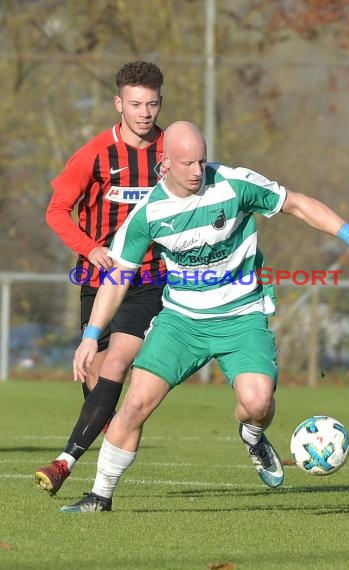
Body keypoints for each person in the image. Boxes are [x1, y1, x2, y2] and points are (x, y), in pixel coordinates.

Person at [60, 121, 349, 513]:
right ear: (165, 164)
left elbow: (298, 203)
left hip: (241, 317)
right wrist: (92, 335)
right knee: (134, 405)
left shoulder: (234, 184)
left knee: (258, 403)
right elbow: (117, 278)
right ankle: (99, 496)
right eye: (187, 163)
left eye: (202, 159)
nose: (198, 170)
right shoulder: (148, 214)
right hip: (180, 322)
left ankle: (252, 435)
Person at [34, 60, 166, 496]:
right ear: (118, 103)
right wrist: (90, 247)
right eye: (135, 104)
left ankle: (71, 465)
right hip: (99, 278)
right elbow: (56, 211)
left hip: (150, 279)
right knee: (93, 373)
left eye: (151, 103)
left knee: (115, 363)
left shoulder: (173, 151)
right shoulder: (95, 153)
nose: (144, 112)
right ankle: (113, 434)